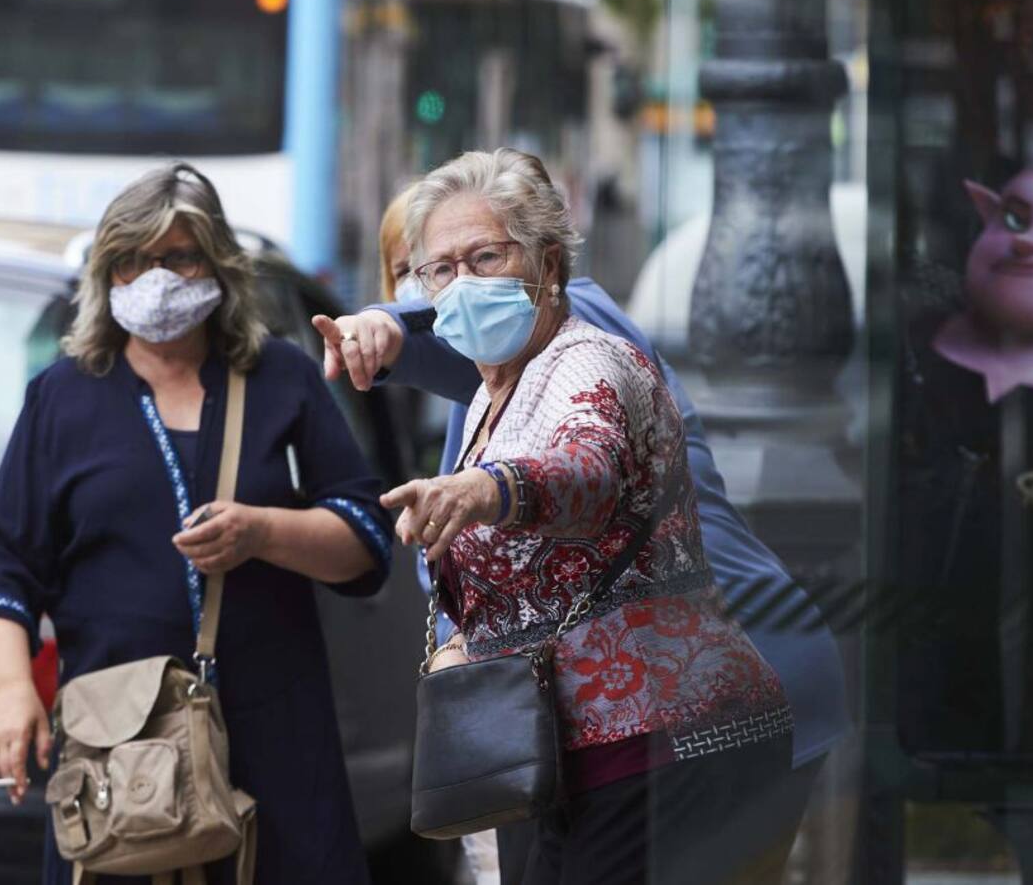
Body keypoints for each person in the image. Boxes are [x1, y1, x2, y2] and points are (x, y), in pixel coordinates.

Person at [317, 180, 849, 883]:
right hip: (556, 750)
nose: (463, 284)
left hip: (664, 739)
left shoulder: (590, 359)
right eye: (440, 271)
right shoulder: (492, 388)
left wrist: (488, 489)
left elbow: (585, 466)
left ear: (549, 267)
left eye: (486, 258)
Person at [0, 163, 393, 885]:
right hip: (120, 748)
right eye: (131, 261)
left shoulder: (281, 378)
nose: (153, 278)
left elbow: (365, 543)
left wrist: (264, 532)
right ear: (107, 276)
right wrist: (11, 692)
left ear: (217, 267)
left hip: (275, 738)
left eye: (177, 257)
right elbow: (2, 566)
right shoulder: (64, 397)